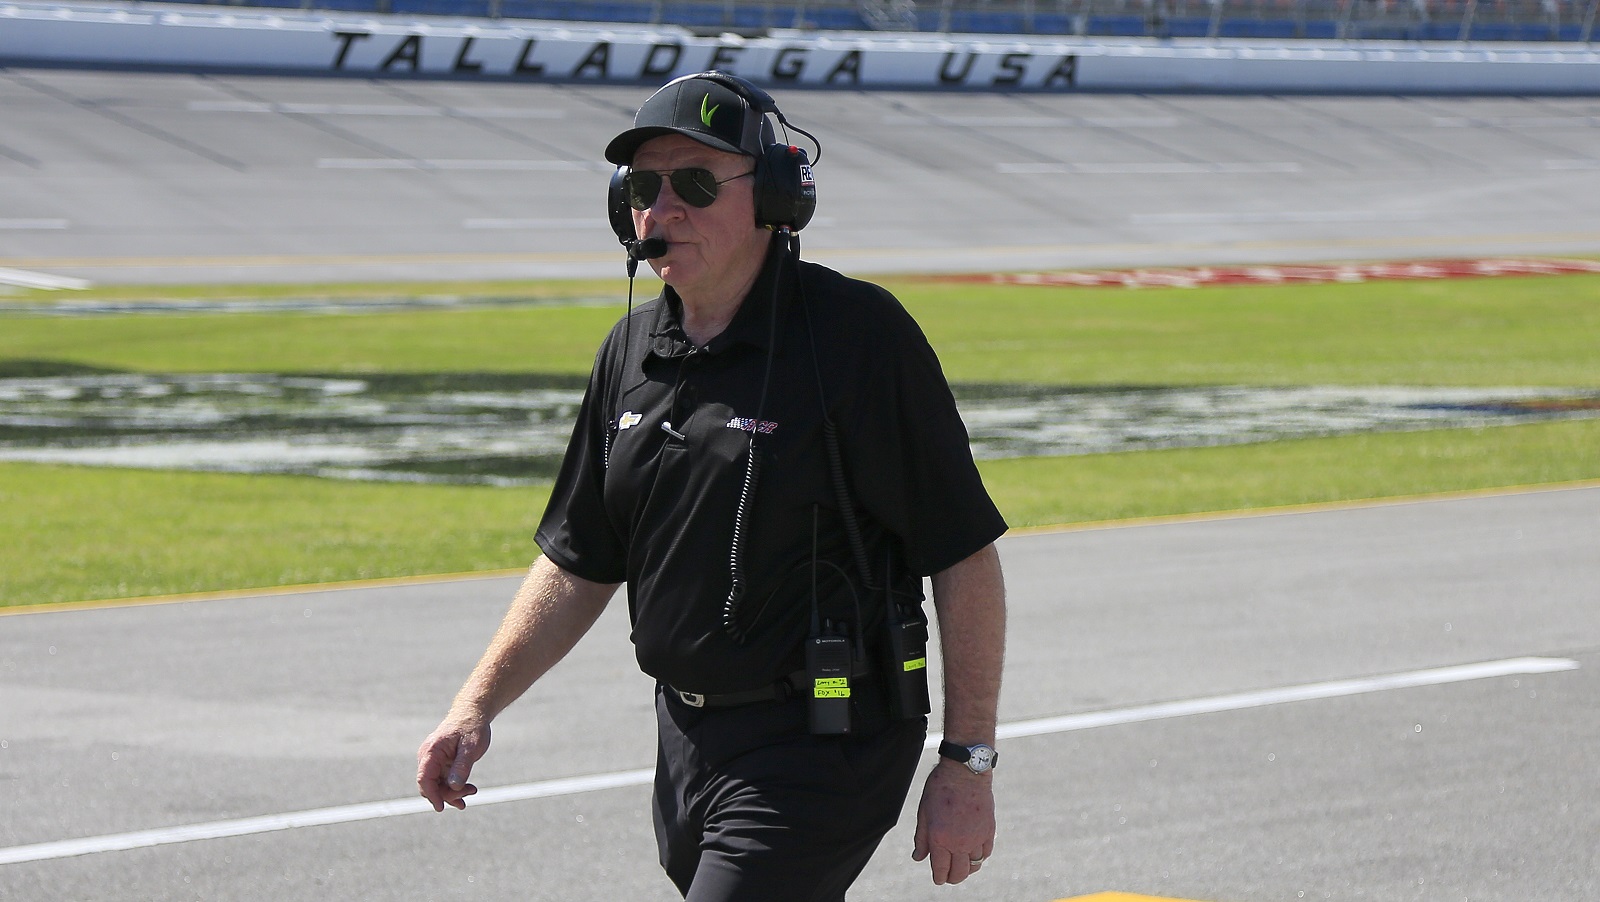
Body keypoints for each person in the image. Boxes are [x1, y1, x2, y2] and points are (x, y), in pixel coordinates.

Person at [416, 71, 1008, 901]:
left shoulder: (858, 339)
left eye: (696, 181)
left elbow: (963, 555)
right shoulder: (629, 354)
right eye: (643, 186)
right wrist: (475, 705)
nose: (664, 207)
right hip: (686, 739)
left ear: (773, 196)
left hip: (825, 734)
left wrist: (967, 762)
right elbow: (581, 559)